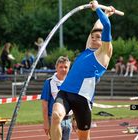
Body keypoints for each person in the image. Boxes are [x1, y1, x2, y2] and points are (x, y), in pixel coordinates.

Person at [50, 1, 114, 139]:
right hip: (65, 92)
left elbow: (106, 26)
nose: (93, 38)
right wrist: (106, 13)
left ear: (104, 40)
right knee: (55, 117)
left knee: (83, 137)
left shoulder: (104, 54)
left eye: (97, 37)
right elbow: (97, 27)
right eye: (92, 37)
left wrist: (97, 8)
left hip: (82, 99)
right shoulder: (87, 50)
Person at [41, 56, 72, 140]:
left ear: (69, 68)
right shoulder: (49, 82)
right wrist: (46, 122)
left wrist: (75, 120)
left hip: (68, 120)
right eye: (61, 67)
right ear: (56, 67)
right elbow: (44, 104)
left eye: (66, 67)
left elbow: (74, 102)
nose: (63, 69)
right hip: (54, 120)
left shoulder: (71, 82)